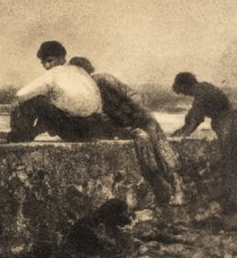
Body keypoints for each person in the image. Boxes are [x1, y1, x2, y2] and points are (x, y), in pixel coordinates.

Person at [70, 57, 185, 206]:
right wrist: (122, 130)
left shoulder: (103, 79)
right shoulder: (85, 93)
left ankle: (178, 190)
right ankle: (162, 192)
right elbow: (101, 117)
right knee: (145, 152)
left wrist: (138, 117)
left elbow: (132, 96)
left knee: (161, 148)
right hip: (127, 126)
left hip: (141, 117)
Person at [172, 72, 237, 213]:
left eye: (184, 91)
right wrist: (182, 130)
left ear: (186, 85)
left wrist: (182, 135)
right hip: (234, 124)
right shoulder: (204, 88)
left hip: (230, 126)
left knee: (235, 163)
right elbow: (193, 114)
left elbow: (195, 118)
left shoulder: (201, 92)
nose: (186, 95)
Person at [3, 41, 105, 142]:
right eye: (43, 63)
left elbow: (20, 95)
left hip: (71, 131)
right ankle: (30, 133)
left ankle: (18, 135)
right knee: (55, 106)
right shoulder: (82, 73)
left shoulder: (54, 72)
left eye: (49, 61)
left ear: (62, 58)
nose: (47, 66)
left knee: (36, 101)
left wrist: (15, 109)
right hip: (91, 131)